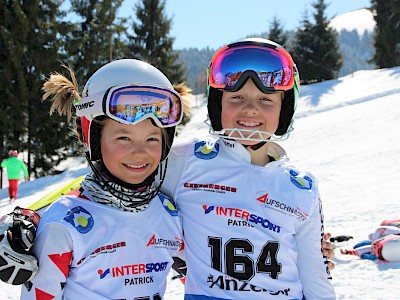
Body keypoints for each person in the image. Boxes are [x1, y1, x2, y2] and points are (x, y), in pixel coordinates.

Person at [0, 39, 336, 299]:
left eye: (266, 100)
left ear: (286, 107)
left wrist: (314, 251)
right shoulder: (185, 163)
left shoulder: (300, 187)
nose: (250, 111)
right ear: (218, 103)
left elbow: (315, 278)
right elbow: (99, 187)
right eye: (236, 98)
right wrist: (24, 220)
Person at [17, 58, 190, 299]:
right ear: (94, 141)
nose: (139, 152)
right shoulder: (63, 224)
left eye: (152, 139)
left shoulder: (169, 213)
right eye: (123, 138)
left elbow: (204, 279)